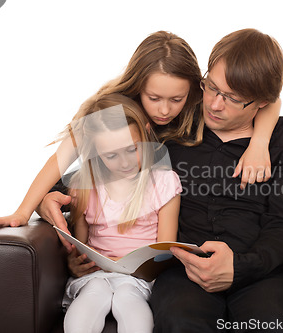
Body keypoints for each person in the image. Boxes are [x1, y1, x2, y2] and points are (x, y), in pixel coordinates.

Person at [0, 31, 282, 238]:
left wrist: (259, 143)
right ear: (138, 87)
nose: (164, 110)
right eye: (154, 98)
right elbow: (61, 159)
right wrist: (24, 211)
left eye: (175, 99)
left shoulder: (202, 103)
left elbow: (270, 100)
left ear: (194, 88)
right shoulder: (114, 112)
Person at [146, 29, 283, 332]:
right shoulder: (175, 123)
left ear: (263, 102)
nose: (214, 104)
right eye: (211, 87)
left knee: (274, 322)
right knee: (179, 319)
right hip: (184, 269)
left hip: (262, 272)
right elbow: (107, 168)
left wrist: (241, 267)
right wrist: (54, 194)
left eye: (232, 98)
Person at [55, 94, 183, 333]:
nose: (125, 163)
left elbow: (165, 249)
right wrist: (74, 263)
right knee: (95, 292)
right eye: (111, 156)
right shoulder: (85, 187)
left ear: (145, 136)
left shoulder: (164, 182)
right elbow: (80, 246)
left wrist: (135, 268)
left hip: (138, 278)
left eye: (131, 149)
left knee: (127, 296)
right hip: (96, 275)